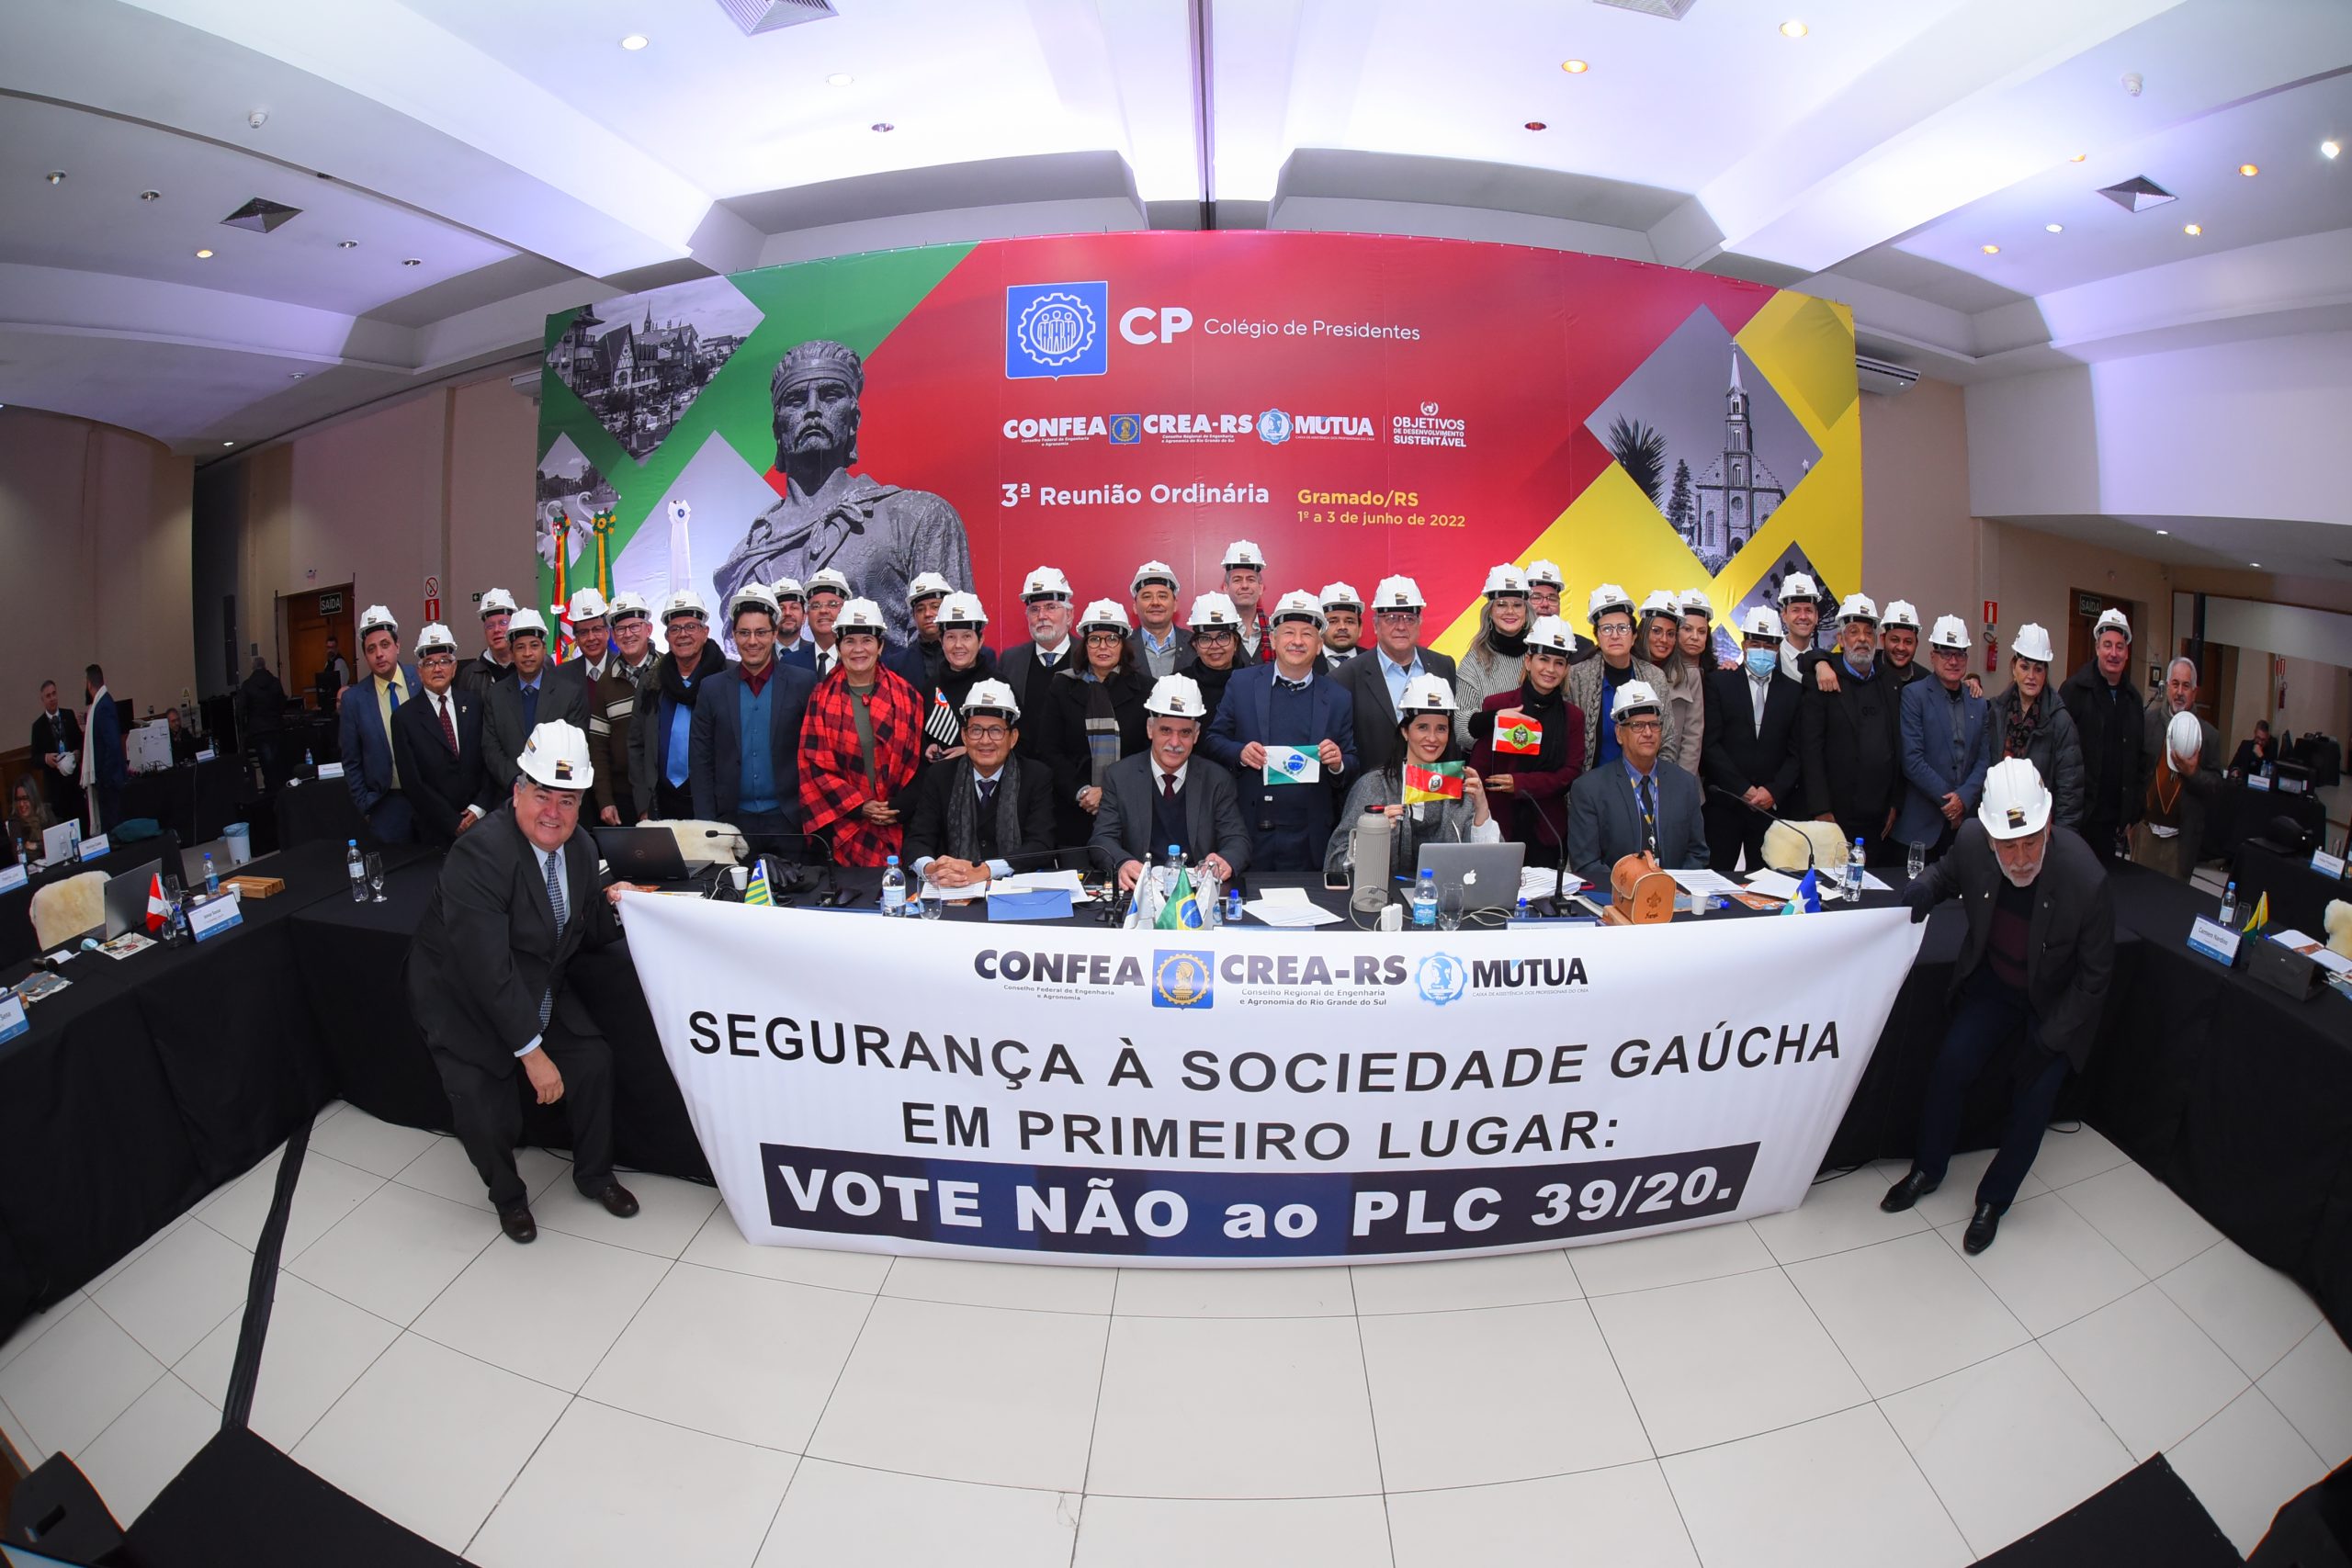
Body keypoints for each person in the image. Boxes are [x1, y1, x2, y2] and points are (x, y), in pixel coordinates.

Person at [403, 719, 639, 1243]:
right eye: (542, 796)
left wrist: (620, 906)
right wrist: (533, 1055)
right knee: (482, 1110)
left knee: (594, 1062)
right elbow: (487, 970)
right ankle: (508, 1198)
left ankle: (595, 1175)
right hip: (463, 996)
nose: (553, 812)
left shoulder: (580, 847)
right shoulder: (479, 854)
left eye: (567, 800)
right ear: (517, 792)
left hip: (533, 982)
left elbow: (580, 926)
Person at [1883, 758, 2112, 1255]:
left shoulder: (2086, 878)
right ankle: (1928, 1168)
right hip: (1996, 983)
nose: (2022, 857)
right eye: (2009, 845)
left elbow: (2095, 980)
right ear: (1989, 839)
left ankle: (1993, 1200)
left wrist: (2050, 1041)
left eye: (2032, 841)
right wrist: (1924, 889)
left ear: (2048, 826)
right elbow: (1945, 874)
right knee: (1950, 1065)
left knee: (2033, 1099)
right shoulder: (1970, 842)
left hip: (2054, 1002)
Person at [711, 339, 973, 650]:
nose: (812, 410)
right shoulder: (750, 551)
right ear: (777, 428)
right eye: (796, 400)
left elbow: (950, 650)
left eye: (830, 396)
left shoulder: (916, 517)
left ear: (853, 420)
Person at [1204, 591, 1358, 872]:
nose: (1297, 641)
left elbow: (1352, 759)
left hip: (1311, 834)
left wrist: (1338, 762)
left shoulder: (1338, 697)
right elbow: (1213, 739)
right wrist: (1240, 753)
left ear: (1319, 645)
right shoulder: (1241, 683)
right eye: (1288, 633)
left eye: (1307, 634)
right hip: (1251, 829)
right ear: (1273, 640)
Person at [1327, 674, 1499, 884]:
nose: (1432, 738)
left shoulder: (1461, 788)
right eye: (1422, 727)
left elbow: (1491, 867)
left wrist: (1482, 809)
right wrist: (1372, 835)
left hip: (1446, 897)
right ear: (1405, 732)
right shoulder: (1373, 785)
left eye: (1441, 729)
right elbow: (1335, 865)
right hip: (1384, 897)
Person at [1091, 675, 1251, 892]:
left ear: (1196, 735)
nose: (1175, 743)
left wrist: (1226, 860)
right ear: (1150, 730)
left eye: (1185, 733)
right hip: (1139, 892)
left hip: (1198, 894)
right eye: (1166, 730)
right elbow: (1102, 839)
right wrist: (1123, 862)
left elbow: (1238, 840)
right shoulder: (1119, 776)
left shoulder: (1217, 779)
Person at [797, 597, 923, 865]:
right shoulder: (820, 698)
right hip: (843, 827)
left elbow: (920, 764)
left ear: (880, 646)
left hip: (899, 823)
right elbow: (814, 765)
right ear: (838, 647)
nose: (858, 649)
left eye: (867, 640)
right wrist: (859, 806)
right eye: (849, 641)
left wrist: (896, 806)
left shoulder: (908, 696)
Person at [691, 585, 820, 839]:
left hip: (791, 821)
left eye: (761, 632)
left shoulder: (803, 683)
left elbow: (817, 755)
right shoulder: (711, 688)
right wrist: (707, 825)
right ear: (734, 636)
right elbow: (700, 761)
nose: (752, 641)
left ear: (774, 634)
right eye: (744, 633)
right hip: (731, 825)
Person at [903, 679, 1057, 887]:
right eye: (976, 730)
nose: (985, 741)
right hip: (952, 889)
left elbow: (1042, 845)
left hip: (1015, 891)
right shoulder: (940, 775)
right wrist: (932, 869)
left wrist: (985, 870)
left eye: (996, 731)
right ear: (964, 736)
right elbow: (917, 841)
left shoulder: (1036, 776)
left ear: (1013, 738)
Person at [1465, 615, 1584, 866]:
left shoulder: (1573, 717)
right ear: (1528, 661)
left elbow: (1570, 773)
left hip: (1547, 831)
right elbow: (1480, 766)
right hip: (1498, 827)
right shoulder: (1498, 705)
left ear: (1566, 670)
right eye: (1543, 659)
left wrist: (1519, 783)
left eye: (1559, 663)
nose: (1550, 669)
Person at [1565, 679, 1708, 886]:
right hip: (1615, 897)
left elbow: (1697, 854)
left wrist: (1671, 889)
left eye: (1654, 725)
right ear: (1619, 734)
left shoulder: (1684, 784)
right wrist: (1633, 890)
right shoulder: (1590, 789)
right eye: (1637, 726)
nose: (1648, 733)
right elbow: (1586, 864)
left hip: (1675, 896)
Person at [1800, 595, 1905, 864]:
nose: (1862, 639)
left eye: (1869, 633)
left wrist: (1895, 803)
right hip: (1834, 815)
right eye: (1854, 632)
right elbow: (1810, 749)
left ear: (1877, 640)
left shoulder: (1890, 683)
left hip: (1879, 818)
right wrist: (1821, 809)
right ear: (1840, 639)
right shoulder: (1823, 679)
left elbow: (1898, 747)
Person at [1701, 606, 1802, 874]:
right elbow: (1710, 745)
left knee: (1767, 885)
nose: (1762, 650)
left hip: (1770, 808)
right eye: (1755, 643)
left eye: (1769, 645)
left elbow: (1797, 752)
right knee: (1716, 878)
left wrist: (1773, 791)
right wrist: (1742, 789)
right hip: (1725, 805)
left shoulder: (1793, 691)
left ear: (1778, 648)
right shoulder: (1719, 683)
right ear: (1744, 645)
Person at [1045, 599, 1151, 851]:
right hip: (1075, 809)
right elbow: (1049, 751)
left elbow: (1149, 754)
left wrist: (1109, 792)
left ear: (1123, 644)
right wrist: (1082, 792)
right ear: (1085, 644)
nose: (1103, 646)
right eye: (1094, 639)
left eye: (1112, 639)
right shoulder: (1062, 686)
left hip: (1130, 808)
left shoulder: (1147, 689)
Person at [1333, 576, 1460, 776]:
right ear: (1375, 625)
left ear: (1420, 622)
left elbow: (1451, 735)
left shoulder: (1443, 666)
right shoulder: (1346, 676)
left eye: (1409, 619)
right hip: (1372, 790)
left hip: (1432, 787)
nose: (1401, 627)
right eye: (1391, 618)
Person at [1896, 615, 1996, 863]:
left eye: (1960, 654)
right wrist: (1951, 802)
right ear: (1933, 656)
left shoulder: (1978, 702)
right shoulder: (1914, 695)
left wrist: (1964, 798)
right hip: (1921, 828)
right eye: (1945, 654)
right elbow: (1912, 760)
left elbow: (1984, 759)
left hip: (1964, 827)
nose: (1953, 661)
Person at [628, 590, 730, 822]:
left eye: (691, 627)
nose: (682, 635)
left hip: (716, 802)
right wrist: (643, 805)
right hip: (662, 803)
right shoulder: (651, 681)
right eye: (675, 629)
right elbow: (636, 745)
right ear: (666, 636)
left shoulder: (727, 676)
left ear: (705, 632)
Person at [391, 623, 491, 846]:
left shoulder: (474, 705)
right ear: (419, 672)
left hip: (480, 822)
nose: (437, 669)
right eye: (429, 663)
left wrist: (478, 808)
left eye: (444, 661)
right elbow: (413, 782)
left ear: (454, 668)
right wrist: (452, 821)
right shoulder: (404, 718)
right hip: (434, 831)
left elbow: (488, 760)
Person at [2058, 607, 2144, 863]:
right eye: (2107, 645)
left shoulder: (2133, 699)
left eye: (2120, 647)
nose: (2113, 653)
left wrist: (2132, 810)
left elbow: (2138, 758)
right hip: (2077, 816)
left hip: (2112, 821)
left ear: (2127, 653)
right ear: (2097, 648)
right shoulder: (2074, 690)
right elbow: (2057, 751)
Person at [1565, 584, 1679, 774]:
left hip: (1644, 783)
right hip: (1592, 784)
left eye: (1622, 628)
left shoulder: (1655, 677)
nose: (1615, 635)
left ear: (1634, 636)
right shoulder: (1577, 677)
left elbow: (1667, 741)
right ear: (1597, 636)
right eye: (1607, 629)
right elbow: (1568, 742)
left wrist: (1654, 783)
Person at [482, 609, 591, 793]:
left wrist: (549, 787)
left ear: (544, 649)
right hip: (510, 793)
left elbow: (576, 746)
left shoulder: (570, 694)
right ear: (511, 652)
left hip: (556, 793)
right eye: (520, 647)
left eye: (534, 646)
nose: (527, 653)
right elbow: (491, 749)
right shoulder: (496, 695)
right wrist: (517, 783)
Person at [337, 604, 418, 843]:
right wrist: (365, 804)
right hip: (386, 805)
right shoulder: (354, 700)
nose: (379, 654)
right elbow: (351, 760)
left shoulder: (421, 680)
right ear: (365, 655)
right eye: (371, 649)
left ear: (397, 646)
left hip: (430, 797)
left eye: (385, 645)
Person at [1994, 624, 2086, 831]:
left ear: (2046, 673)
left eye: (2038, 669)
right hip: (2000, 823)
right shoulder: (1997, 712)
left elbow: (2070, 791)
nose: (2031, 676)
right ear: (2014, 668)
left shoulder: (2060, 721)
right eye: (2025, 667)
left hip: (2040, 828)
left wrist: (2061, 840)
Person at [2137, 658, 2221, 878]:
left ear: (2195, 692)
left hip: (2180, 843)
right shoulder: (2148, 722)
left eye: (2186, 686)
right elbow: (2136, 773)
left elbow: (2216, 787)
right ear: (2167, 686)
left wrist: (2193, 773)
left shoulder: (2209, 736)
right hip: (2145, 834)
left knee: (2173, 898)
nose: (2180, 692)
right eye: (2175, 684)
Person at [587, 591, 657, 825]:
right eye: (620, 629)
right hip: (622, 798)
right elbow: (598, 747)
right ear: (613, 637)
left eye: (634, 626)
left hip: (665, 794)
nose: (628, 634)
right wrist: (605, 799)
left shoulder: (669, 672)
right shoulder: (605, 683)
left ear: (648, 629)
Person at [914, 592, 1001, 767]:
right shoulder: (930, 688)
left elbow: (1018, 743)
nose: (958, 645)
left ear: (980, 640)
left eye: (967, 636)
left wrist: (971, 752)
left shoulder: (1000, 687)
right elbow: (919, 737)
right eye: (951, 637)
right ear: (941, 641)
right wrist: (928, 747)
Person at [1453, 565, 1534, 747]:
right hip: (1491, 761)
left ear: (1526, 610)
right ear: (1490, 611)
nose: (1510, 611)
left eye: (1517, 605)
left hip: (1539, 760)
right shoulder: (1473, 662)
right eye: (1501, 604)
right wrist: (1496, 719)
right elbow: (1461, 728)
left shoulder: (1541, 656)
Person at [995, 566, 1077, 749]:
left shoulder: (1088, 657)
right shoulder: (1010, 661)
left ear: (1069, 615)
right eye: (1034, 610)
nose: (1041, 616)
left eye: (1051, 607)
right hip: (1022, 764)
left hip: (1075, 765)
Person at [1642, 591, 1703, 779]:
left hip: (1678, 777)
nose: (1664, 640)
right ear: (1643, 631)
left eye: (1671, 634)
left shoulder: (1689, 675)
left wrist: (1680, 784)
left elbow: (1692, 737)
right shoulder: (1628, 669)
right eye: (1656, 631)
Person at [1174, 592, 1244, 734]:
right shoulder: (1178, 684)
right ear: (1195, 645)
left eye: (1223, 637)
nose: (1215, 646)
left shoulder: (1253, 683)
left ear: (1236, 642)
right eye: (1205, 639)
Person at [29, 680, 84, 822]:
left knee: (82, 822)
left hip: (74, 783)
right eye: (48, 696)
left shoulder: (69, 715)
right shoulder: (38, 726)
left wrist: (78, 753)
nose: (52, 698)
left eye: (54, 694)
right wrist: (45, 758)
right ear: (42, 700)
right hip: (55, 789)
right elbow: (34, 759)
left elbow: (80, 741)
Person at [82, 664, 126, 832]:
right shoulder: (101, 704)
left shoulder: (103, 706)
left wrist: (104, 779)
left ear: (89, 684)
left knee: (113, 829)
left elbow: (113, 745)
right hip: (108, 780)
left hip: (109, 782)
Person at [1127, 560, 1189, 678]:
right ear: (1135, 607)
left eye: (1162, 596)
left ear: (1175, 604)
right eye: (1147, 597)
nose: (1155, 602)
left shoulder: (1195, 645)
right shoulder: (1123, 648)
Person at [455, 588, 517, 702]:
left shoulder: (530, 666)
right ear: (484, 630)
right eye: (490, 626)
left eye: (503, 623)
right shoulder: (470, 675)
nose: (496, 630)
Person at [1529, 562, 1599, 662]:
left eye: (1552, 598)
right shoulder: (1509, 646)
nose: (1545, 604)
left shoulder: (1583, 649)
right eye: (1536, 597)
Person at [239, 656, 290, 790]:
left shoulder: (248, 685)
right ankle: (280, 787)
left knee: (265, 762)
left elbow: (241, 709)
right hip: (276, 726)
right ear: (265, 665)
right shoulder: (275, 682)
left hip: (258, 729)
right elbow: (282, 704)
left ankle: (270, 788)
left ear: (253, 667)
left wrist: (245, 729)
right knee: (277, 760)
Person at [1221, 541, 1273, 663]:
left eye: (1251, 579)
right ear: (1226, 588)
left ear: (1260, 588)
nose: (1245, 585)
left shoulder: (1276, 630)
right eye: (1237, 580)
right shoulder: (1215, 634)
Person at [803, 568, 851, 681]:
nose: (823, 611)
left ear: (846, 610)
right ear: (807, 614)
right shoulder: (790, 662)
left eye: (832, 605)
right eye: (816, 606)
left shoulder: (861, 661)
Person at [1775, 573, 1824, 677]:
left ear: (1816, 616)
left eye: (1808, 610)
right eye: (1796, 610)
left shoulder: (1828, 663)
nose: (1803, 616)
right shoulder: (1769, 659)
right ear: (1784, 616)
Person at [565, 588, 615, 683]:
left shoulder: (625, 670)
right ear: (576, 639)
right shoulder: (562, 677)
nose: (591, 638)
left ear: (607, 632)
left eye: (597, 629)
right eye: (583, 632)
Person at [7, 776, 56, 864]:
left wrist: (36, 846)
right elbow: (20, 856)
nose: (21, 804)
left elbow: (56, 844)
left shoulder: (46, 812)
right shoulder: (14, 821)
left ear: (33, 797)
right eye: (18, 799)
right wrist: (44, 846)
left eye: (25, 798)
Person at [1879, 601, 1927, 689]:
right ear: (1882, 640)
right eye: (1895, 640)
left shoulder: (1925, 681)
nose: (1901, 648)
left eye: (1908, 642)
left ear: (1916, 644)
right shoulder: (1867, 671)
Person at [769, 578, 814, 667]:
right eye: (781, 608)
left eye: (794, 607)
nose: (788, 613)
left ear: (804, 616)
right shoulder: (760, 653)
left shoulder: (816, 655)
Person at [1318, 581, 1363, 670]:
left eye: (1349, 622)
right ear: (1320, 628)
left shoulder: (1376, 663)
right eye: (1333, 621)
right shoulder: (1305, 663)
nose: (1342, 627)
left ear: (1360, 628)